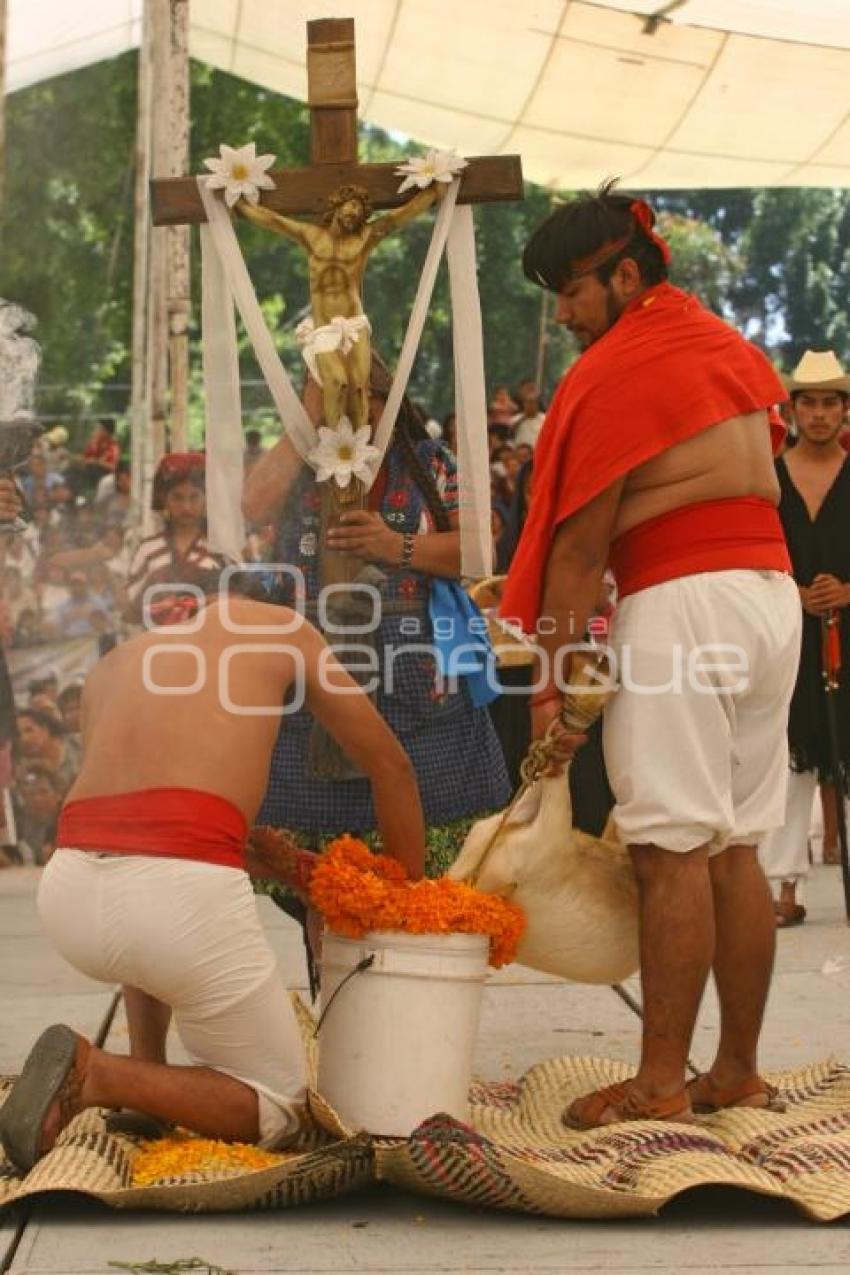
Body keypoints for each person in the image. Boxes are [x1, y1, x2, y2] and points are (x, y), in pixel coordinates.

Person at [502, 181, 800, 1129]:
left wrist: (547, 692)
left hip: (685, 604)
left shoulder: (621, 366)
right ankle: (736, 1069)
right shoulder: (725, 345)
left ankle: (662, 1081)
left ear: (625, 274)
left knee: (669, 849)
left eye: (573, 291)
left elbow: (580, 554)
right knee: (737, 848)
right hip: (767, 598)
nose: (564, 312)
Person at [0, 576, 427, 1175]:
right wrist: (407, 910)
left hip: (68, 891)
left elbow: (139, 820)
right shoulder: (285, 629)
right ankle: (100, 1074)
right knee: (280, 1107)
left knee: (149, 900)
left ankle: (141, 1072)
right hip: (173, 903)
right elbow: (391, 767)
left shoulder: (118, 662)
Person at [243, 354, 510, 878]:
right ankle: (327, 956)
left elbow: (481, 552)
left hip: (416, 677)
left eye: (366, 400)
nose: (354, 414)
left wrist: (397, 546)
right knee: (315, 877)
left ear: (391, 404)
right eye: (340, 401)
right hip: (312, 673)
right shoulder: (301, 463)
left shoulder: (428, 461)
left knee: (430, 858)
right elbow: (252, 505)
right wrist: (310, 412)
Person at [759, 350, 850, 926]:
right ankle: (782, 890)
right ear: (792, 410)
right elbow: (751, 554)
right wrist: (791, 593)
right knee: (788, 761)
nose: (819, 414)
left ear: (845, 410)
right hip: (786, 634)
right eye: (809, 403)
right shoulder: (767, 477)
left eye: (830, 403)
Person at [237, 183, 441, 433]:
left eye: (360, 211)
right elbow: (274, 221)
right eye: (352, 205)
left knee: (358, 388)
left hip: (354, 322)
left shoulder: (364, 238)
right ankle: (337, 446)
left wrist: (433, 193)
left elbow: (399, 216)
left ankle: (357, 453)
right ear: (338, 204)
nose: (355, 213)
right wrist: (239, 205)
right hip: (324, 326)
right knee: (337, 382)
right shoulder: (312, 236)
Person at [124, 453, 228, 623]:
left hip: (210, 642)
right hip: (157, 643)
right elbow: (132, 609)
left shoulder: (222, 548)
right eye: (177, 497)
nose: (186, 506)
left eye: (194, 497)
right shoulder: (149, 549)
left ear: (207, 499)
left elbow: (238, 602)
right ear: (164, 499)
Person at [511, 382, 546, 449]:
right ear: (523, 404)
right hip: (521, 453)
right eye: (528, 402)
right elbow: (510, 434)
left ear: (537, 404)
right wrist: (523, 418)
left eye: (533, 402)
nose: (530, 406)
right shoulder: (515, 419)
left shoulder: (545, 419)